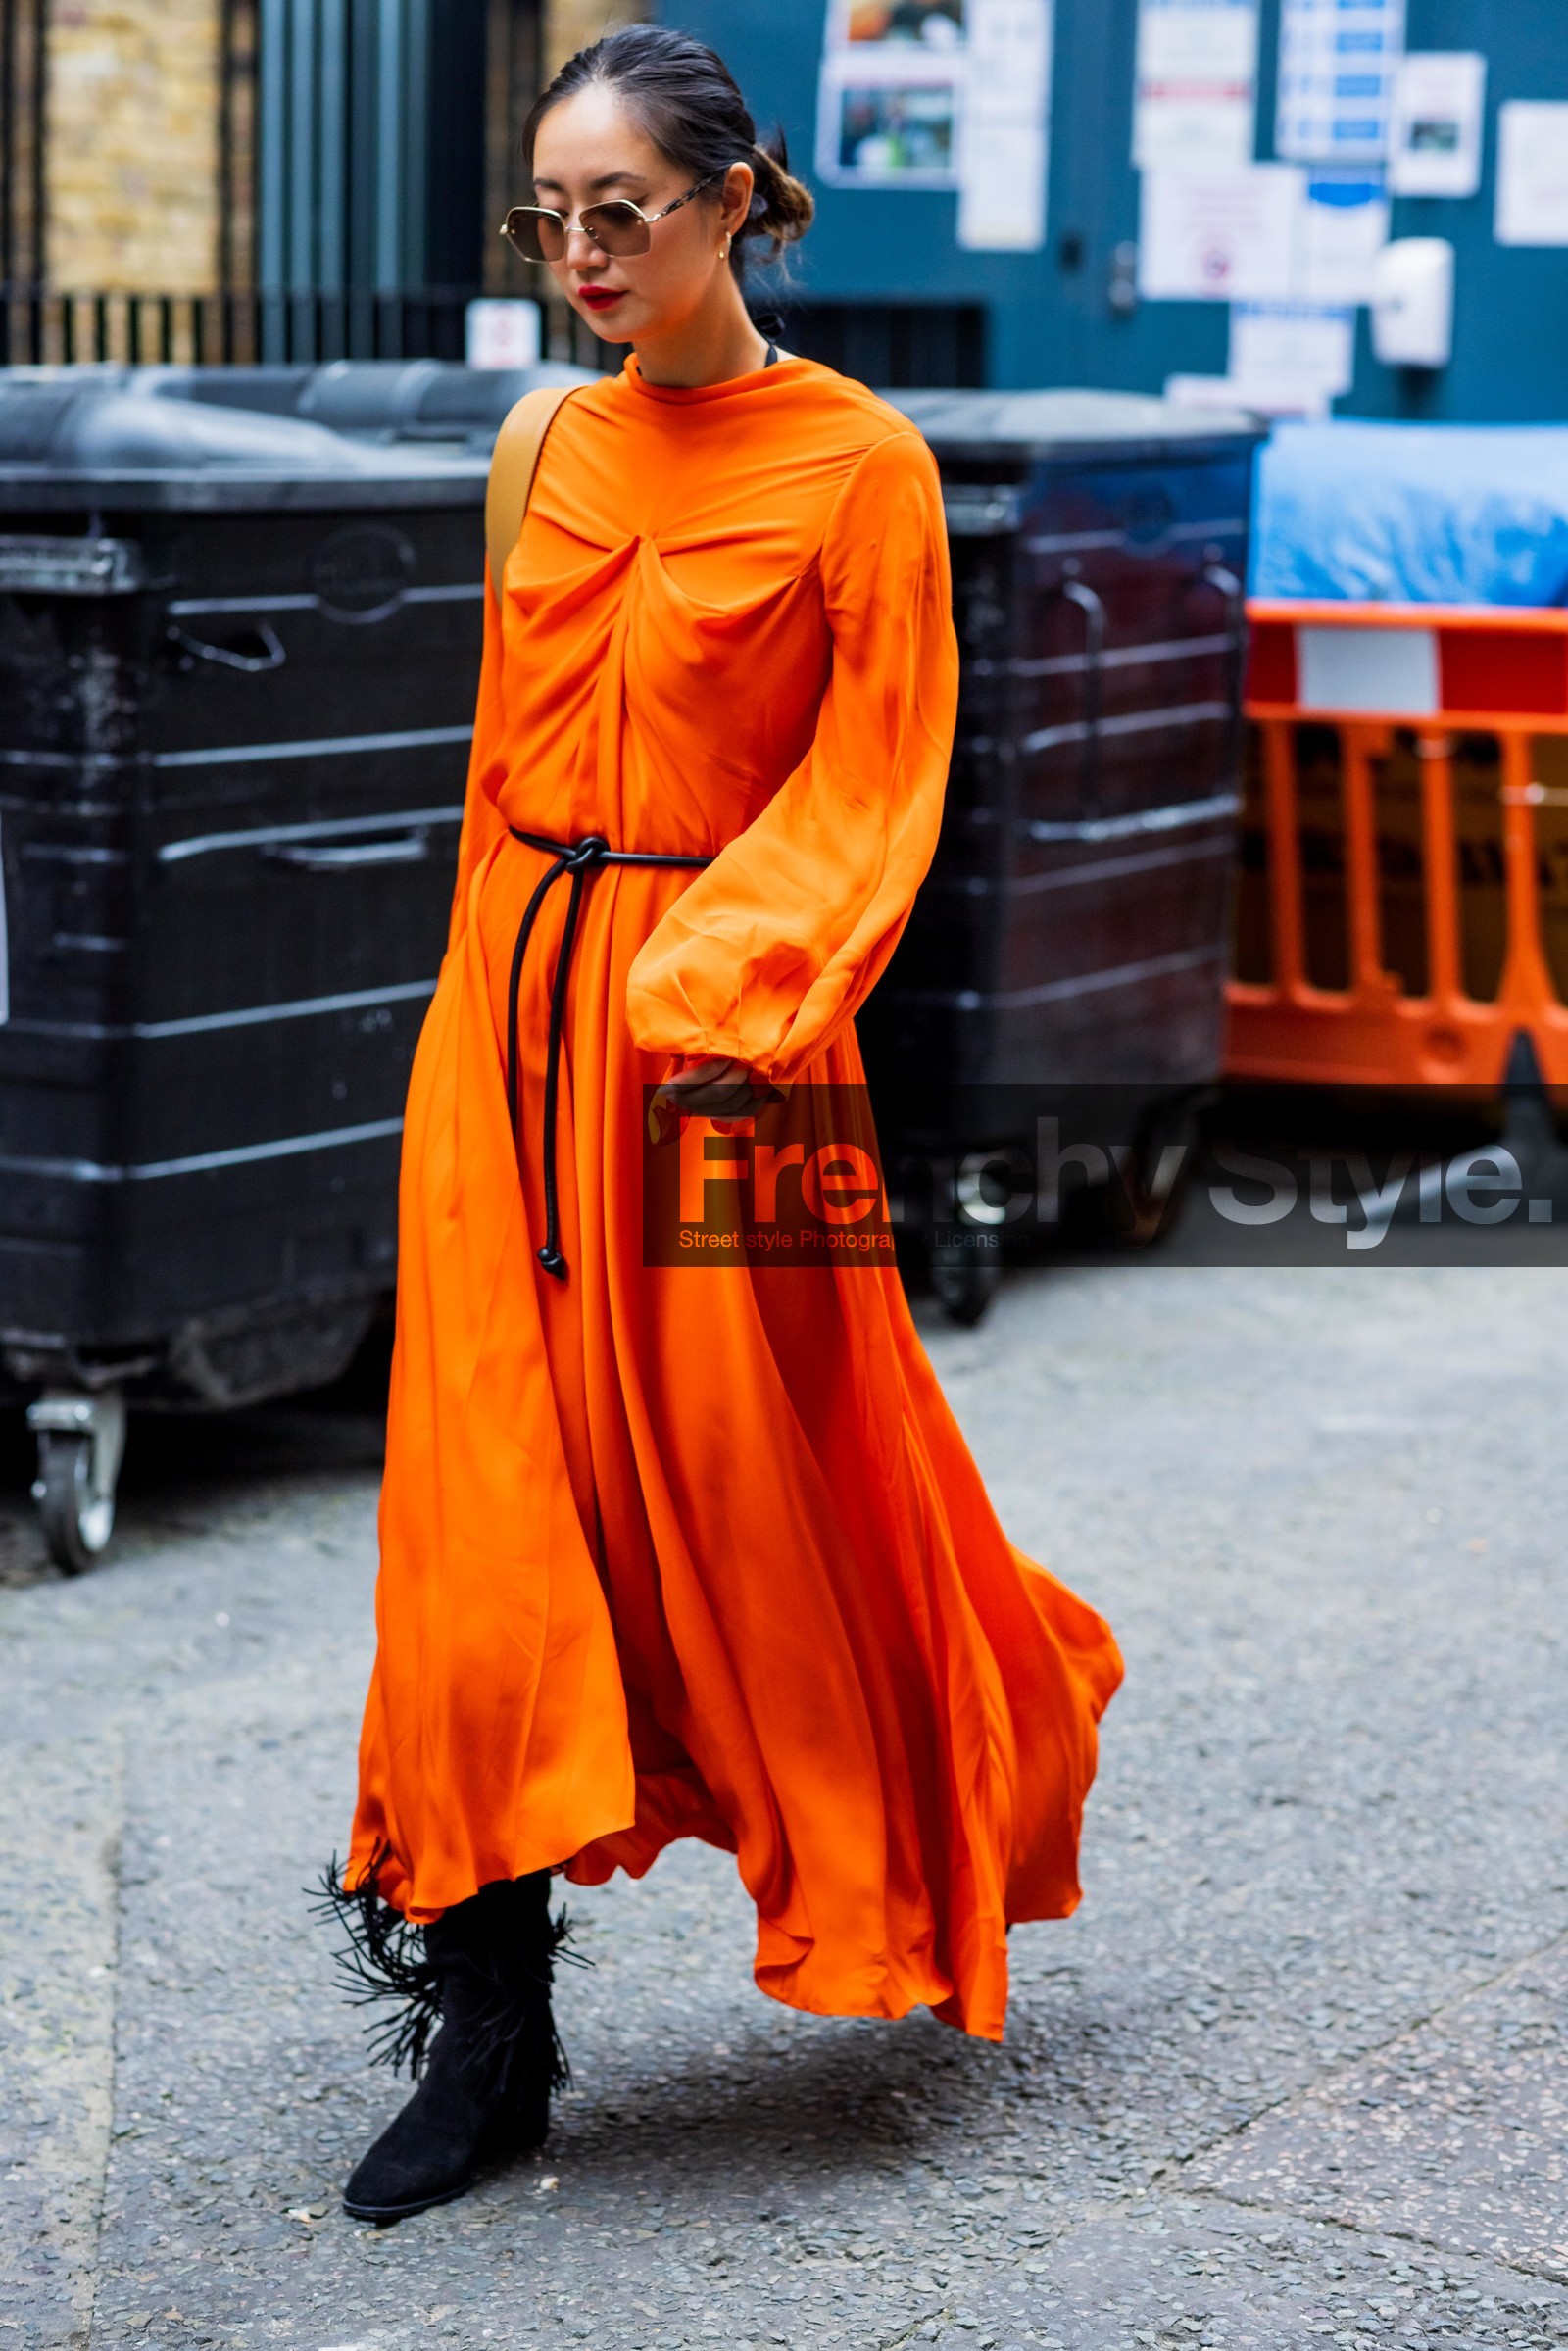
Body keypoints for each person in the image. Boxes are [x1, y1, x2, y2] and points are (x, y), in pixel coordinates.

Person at [321, 24, 1123, 2226]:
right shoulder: (535, 444)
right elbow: (495, 777)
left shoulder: (856, 462)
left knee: (807, 1487)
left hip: (750, 1037)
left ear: (733, 201)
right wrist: (462, 1049)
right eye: (547, 217)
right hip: (512, 1036)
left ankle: (993, 1725)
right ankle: (487, 2029)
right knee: (481, 1529)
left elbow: (879, 778)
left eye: (622, 212)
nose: (581, 254)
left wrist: (716, 992)